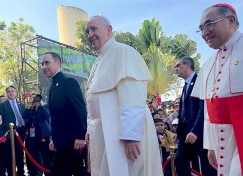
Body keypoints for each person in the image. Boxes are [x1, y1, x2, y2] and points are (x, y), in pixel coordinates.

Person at [85, 15, 162, 176]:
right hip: (107, 130)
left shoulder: (123, 51)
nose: (90, 35)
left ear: (108, 30)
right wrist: (90, 128)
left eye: (94, 29)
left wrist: (131, 136)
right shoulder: (100, 59)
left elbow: (132, 95)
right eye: (87, 31)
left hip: (123, 133)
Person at [192, 3, 243, 175]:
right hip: (224, 143)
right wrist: (211, 145)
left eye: (209, 24)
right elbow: (209, 108)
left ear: (230, 20)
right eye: (201, 28)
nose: (205, 32)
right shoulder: (208, 64)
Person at [41, 52, 87, 176]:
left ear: (57, 63)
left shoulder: (68, 82)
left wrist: (80, 136)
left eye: (47, 63)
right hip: (61, 143)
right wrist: (53, 139)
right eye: (42, 64)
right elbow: (56, 117)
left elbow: (80, 110)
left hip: (72, 143)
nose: (44, 67)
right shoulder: (53, 86)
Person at [173, 56, 216, 176]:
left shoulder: (200, 81)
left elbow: (203, 109)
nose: (176, 69)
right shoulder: (185, 86)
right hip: (185, 133)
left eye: (178, 65)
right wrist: (179, 132)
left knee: (208, 165)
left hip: (199, 132)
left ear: (187, 65)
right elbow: (183, 111)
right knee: (179, 161)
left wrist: (195, 131)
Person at [0, 85, 26, 176]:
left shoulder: (21, 104)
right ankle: (11, 172)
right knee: (9, 155)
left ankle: (21, 172)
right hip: (8, 133)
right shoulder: (2, 105)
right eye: (9, 91)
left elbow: (24, 117)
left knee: (20, 153)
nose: (11, 93)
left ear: (16, 93)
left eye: (13, 91)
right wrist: (2, 135)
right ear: (7, 93)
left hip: (20, 132)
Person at [24, 94, 52, 176]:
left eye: (37, 99)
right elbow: (24, 116)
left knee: (46, 157)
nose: (36, 101)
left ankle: (48, 173)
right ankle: (34, 173)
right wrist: (29, 106)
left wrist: (42, 106)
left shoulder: (44, 107)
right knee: (33, 157)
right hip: (32, 136)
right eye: (34, 99)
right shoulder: (31, 108)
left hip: (43, 136)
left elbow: (47, 115)